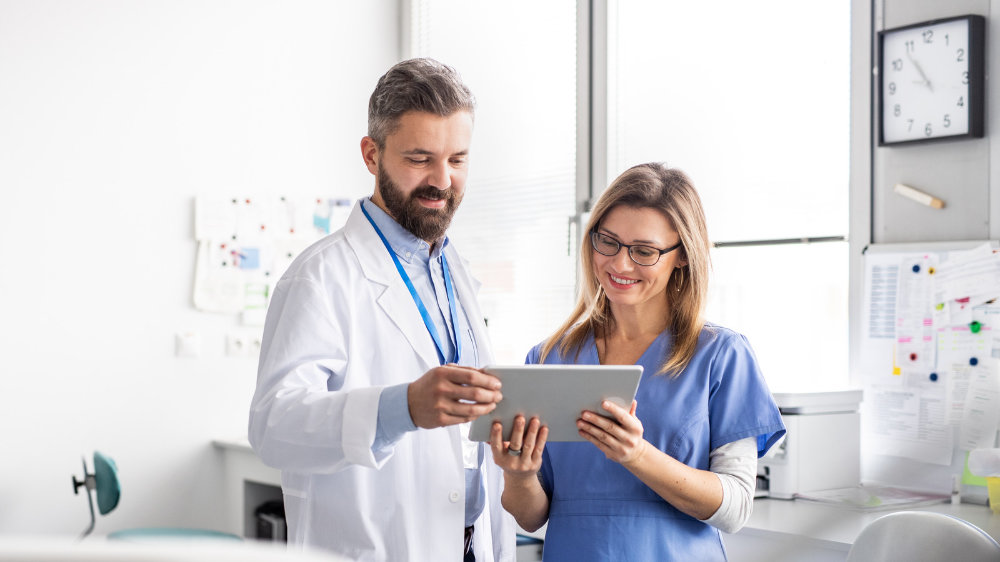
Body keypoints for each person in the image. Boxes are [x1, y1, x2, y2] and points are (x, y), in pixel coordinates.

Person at [248, 58, 516, 562]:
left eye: (458, 159)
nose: (443, 180)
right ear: (372, 155)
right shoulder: (322, 276)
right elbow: (274, 426)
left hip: (469, 546)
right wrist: (403, 409)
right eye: (421, 158)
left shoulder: (452, 270)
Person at [490, 163, 786, 561]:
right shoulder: (550, 358)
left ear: (681, 256)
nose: (619, 264)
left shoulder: (721, 355)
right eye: (607, 241)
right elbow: (531, 518)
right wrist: (519, 474)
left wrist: (636, 454)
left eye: (644, 251)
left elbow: (734, 508)